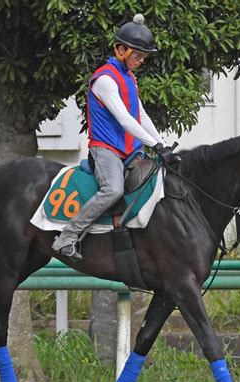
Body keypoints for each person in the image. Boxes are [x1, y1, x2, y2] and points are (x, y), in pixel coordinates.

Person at [52, 13, 180, 260]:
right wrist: (154, 144)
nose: (141, 60)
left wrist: (162, 143)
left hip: (130, 151)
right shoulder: (105, 80)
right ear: (120, 49)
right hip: (106, 149)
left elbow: (141, 115)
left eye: (144, 56)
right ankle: (67, 237)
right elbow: (124, 119)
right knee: (113, 190)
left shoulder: (130, 78)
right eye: (137, 55)